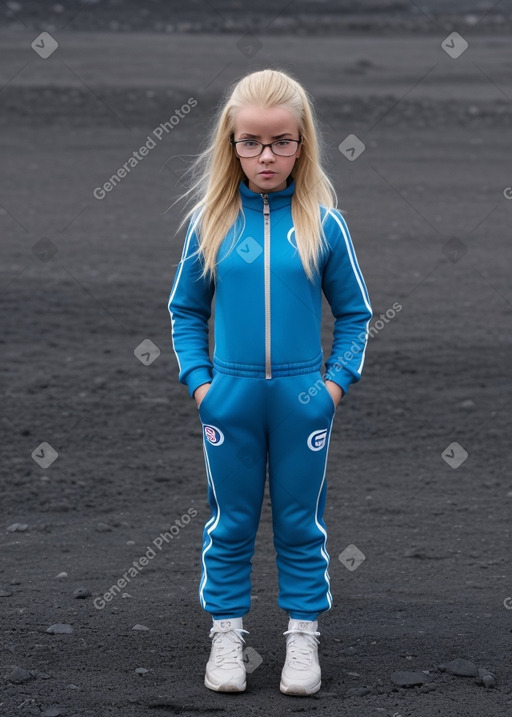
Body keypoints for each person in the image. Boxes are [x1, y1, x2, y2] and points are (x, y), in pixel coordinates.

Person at [168, 68, 372, 696]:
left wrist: (330, 389)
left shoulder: (324, 224)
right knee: (229, 520)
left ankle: (302, 634)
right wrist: (204, 386)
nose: (265, 156)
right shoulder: (210, 223)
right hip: (228, 400)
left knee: (299, 522)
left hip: (300, 400)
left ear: (302, 143)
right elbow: (185, 311)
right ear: (230, 143)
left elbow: (356, 316)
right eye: (250, 142)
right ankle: (226, 634)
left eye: (281, 142)